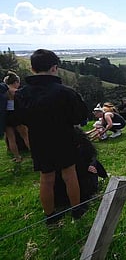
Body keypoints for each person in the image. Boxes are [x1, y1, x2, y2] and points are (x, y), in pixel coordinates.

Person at [15, 49, 89, 224]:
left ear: (32, 69)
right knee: (69, 174)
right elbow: (80, 117)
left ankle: (50, 216)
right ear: (55, 68)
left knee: (46, 178)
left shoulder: (22, 94)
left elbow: (19, 119)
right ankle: (76, 210)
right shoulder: (65, 92)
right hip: (64, 138)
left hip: (39, 140)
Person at [4, 71, 30, 162]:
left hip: (6, 116)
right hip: (17, 115)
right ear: (15, 82)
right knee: (25, 136)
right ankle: (34, 154)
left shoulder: (4, 92)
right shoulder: (16, 92)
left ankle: (17, 157)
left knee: (11, 138)